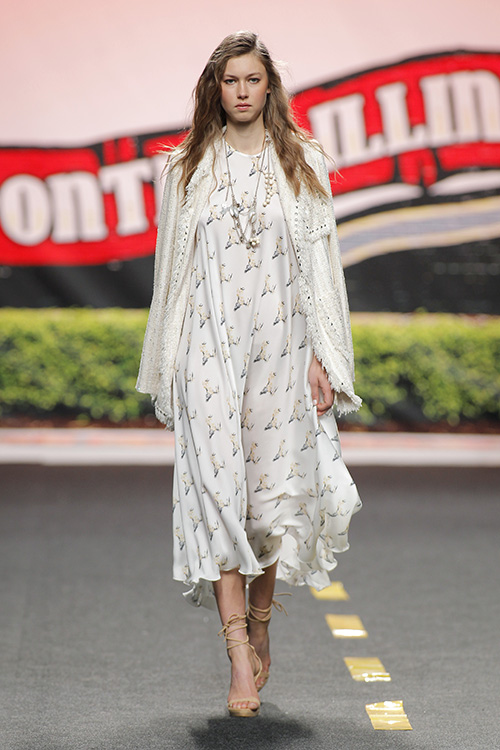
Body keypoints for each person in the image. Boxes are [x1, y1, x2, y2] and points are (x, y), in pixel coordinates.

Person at [136, 31, 362, 718]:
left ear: (269, 87)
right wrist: (169, 365)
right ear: (216, 87)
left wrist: (326, 356)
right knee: (218, 497)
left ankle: (260, 620)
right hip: (210, 355)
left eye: (252, 79)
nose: (240, 90)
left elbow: (325, 276)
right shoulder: (184, 169)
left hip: (280, 354)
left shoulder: (305, 165)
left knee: (270, 504)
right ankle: (237, 653)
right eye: (230, 79)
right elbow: (169, 279)